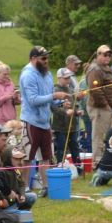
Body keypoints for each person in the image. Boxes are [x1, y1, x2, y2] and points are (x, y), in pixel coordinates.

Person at [19, 46, 69, 196]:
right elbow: (33, 100)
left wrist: (60, 103)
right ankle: (24, 188)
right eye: (43, 58)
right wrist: (54, 96)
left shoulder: (47, 75)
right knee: (28, 157)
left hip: (45, 122)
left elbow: (48, 99)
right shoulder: (28, 75)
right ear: (33, 59)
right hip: (30, 121)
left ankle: (46, 187)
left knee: (46, 157)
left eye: (47, 58)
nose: (47, 61)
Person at [86, 45, 112, 165]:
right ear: (98, 55)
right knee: (99, 136)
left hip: (107, 108)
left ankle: (105, 161)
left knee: (106, 136)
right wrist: (105, 105)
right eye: (105, 54)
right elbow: (95, 90)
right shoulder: (95, 69)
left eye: (109, 55)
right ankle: (97, 163)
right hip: (100, 108)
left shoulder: (104, 68)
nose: (107, 57)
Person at [51, 67, 82, 168]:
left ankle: (78, 167)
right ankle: (60, 166)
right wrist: (65, 112)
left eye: (69, 78)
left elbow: (73, 105)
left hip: (72, 126)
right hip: (60, 127)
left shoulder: (70, 89)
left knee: (75, 147)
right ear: (59, 78)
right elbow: (53, 108)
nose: (68, 80)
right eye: (65, 78)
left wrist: (77, 112)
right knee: (61, 148)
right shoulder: (55, 91)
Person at [0, 61, 20, 125]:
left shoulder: (11, 83)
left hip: (12, 119)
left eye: (8, 74)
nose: (7, 76)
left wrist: (16, 97)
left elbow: (16, 102)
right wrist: (6, 97)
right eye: (5, 74)